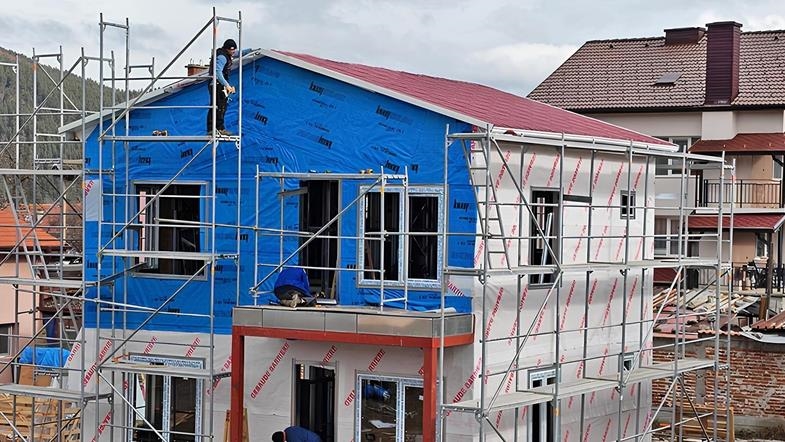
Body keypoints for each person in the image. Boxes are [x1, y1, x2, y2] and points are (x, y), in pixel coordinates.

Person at [206, 38, 238, 137]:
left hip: (220, 85)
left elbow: (238, 53)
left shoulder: (226, 53)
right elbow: (217, 72)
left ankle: (220, 128)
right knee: (217, 106)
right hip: (217, 84)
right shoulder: (222, 57)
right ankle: (213, 129)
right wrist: (227, 85)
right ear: (227, 49)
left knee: (222, 106)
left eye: (234, 50)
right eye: (232, 50)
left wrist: (251, 50)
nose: (234, 52)